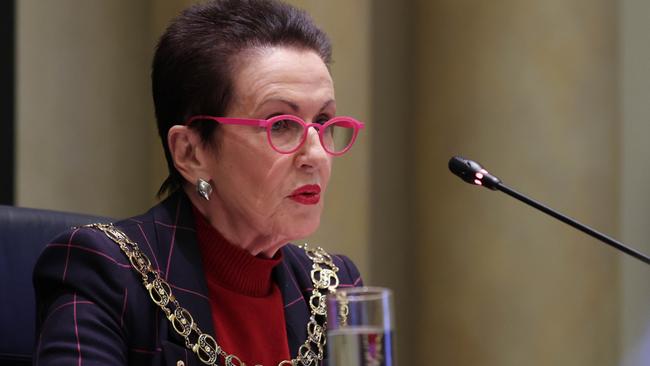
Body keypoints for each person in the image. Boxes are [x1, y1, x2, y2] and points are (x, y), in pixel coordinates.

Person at [32, 0, 364, 365]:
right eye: (281, 125)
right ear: (191, 153)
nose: (316, 154)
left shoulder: (333, 287)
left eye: (323, 122)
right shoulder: (107, 273)